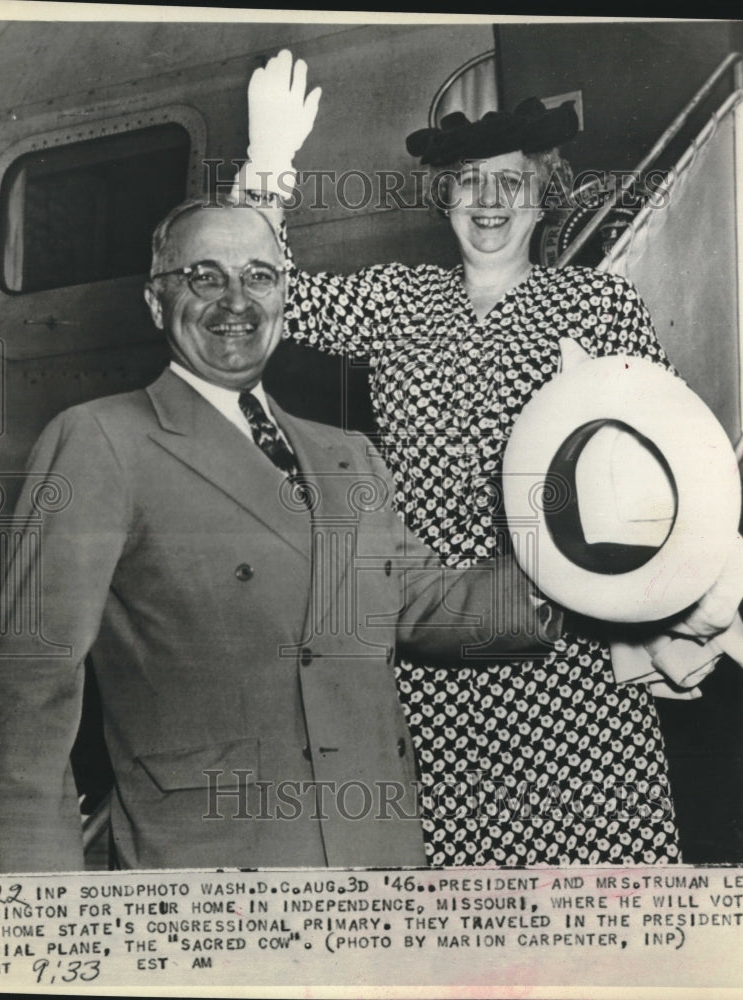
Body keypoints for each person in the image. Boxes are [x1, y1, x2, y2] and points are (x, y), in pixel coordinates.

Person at [0, 200, 560, 873]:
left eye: (259, 275)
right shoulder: (102, 438)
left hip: (376, 859)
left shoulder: (347, 454)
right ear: (155, 300)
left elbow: (418, 602)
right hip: (213, 868)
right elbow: (31, 678)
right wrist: (44, 898)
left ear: (286, 295)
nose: (237, 301)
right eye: (204, 276)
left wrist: (575, 572)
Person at [235, 51, 689, 866]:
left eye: (511, 183)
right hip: (434, 662)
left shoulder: (597, 304)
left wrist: (670, 621)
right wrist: (269, 166)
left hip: (570, 666)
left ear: (542, 195)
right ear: (443, 196)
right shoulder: (398, 300)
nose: (488, 202)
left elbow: (669, 481)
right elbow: (270, 291)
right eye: (468, 182)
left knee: (597, 910)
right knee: (458, 916)